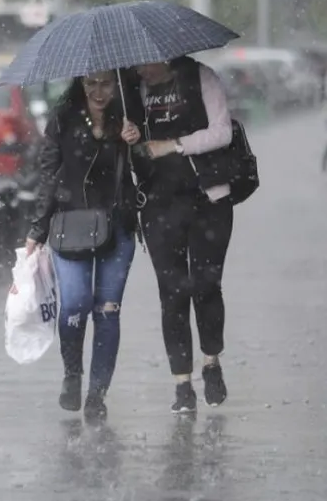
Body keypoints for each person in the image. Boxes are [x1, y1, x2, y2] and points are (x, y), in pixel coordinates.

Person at [25, 70, 142, 421]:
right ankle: (72, 373)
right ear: (80, 84)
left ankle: (97, 394)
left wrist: (135, 144)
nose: (99, 90)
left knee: (107, 311)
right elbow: (48, 176)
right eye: (91, 83)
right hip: (70, 225)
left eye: (106, 83)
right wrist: (37, 229)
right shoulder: (63, 120)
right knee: (74, 303)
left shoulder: (129, 118)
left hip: (117, 225)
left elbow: (149, 174)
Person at [128, 56, 236, 414]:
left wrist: (175, 144)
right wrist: (130, 137)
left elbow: (223, 132)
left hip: (208, 199)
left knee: (206, 285)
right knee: (172, 293)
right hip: (159, 205)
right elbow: (131, 147)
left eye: (145, 64)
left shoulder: (201, 76)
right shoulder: (133, 88)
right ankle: (182, 385)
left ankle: (211, 362)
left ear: (164, 56)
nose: (141, 71)